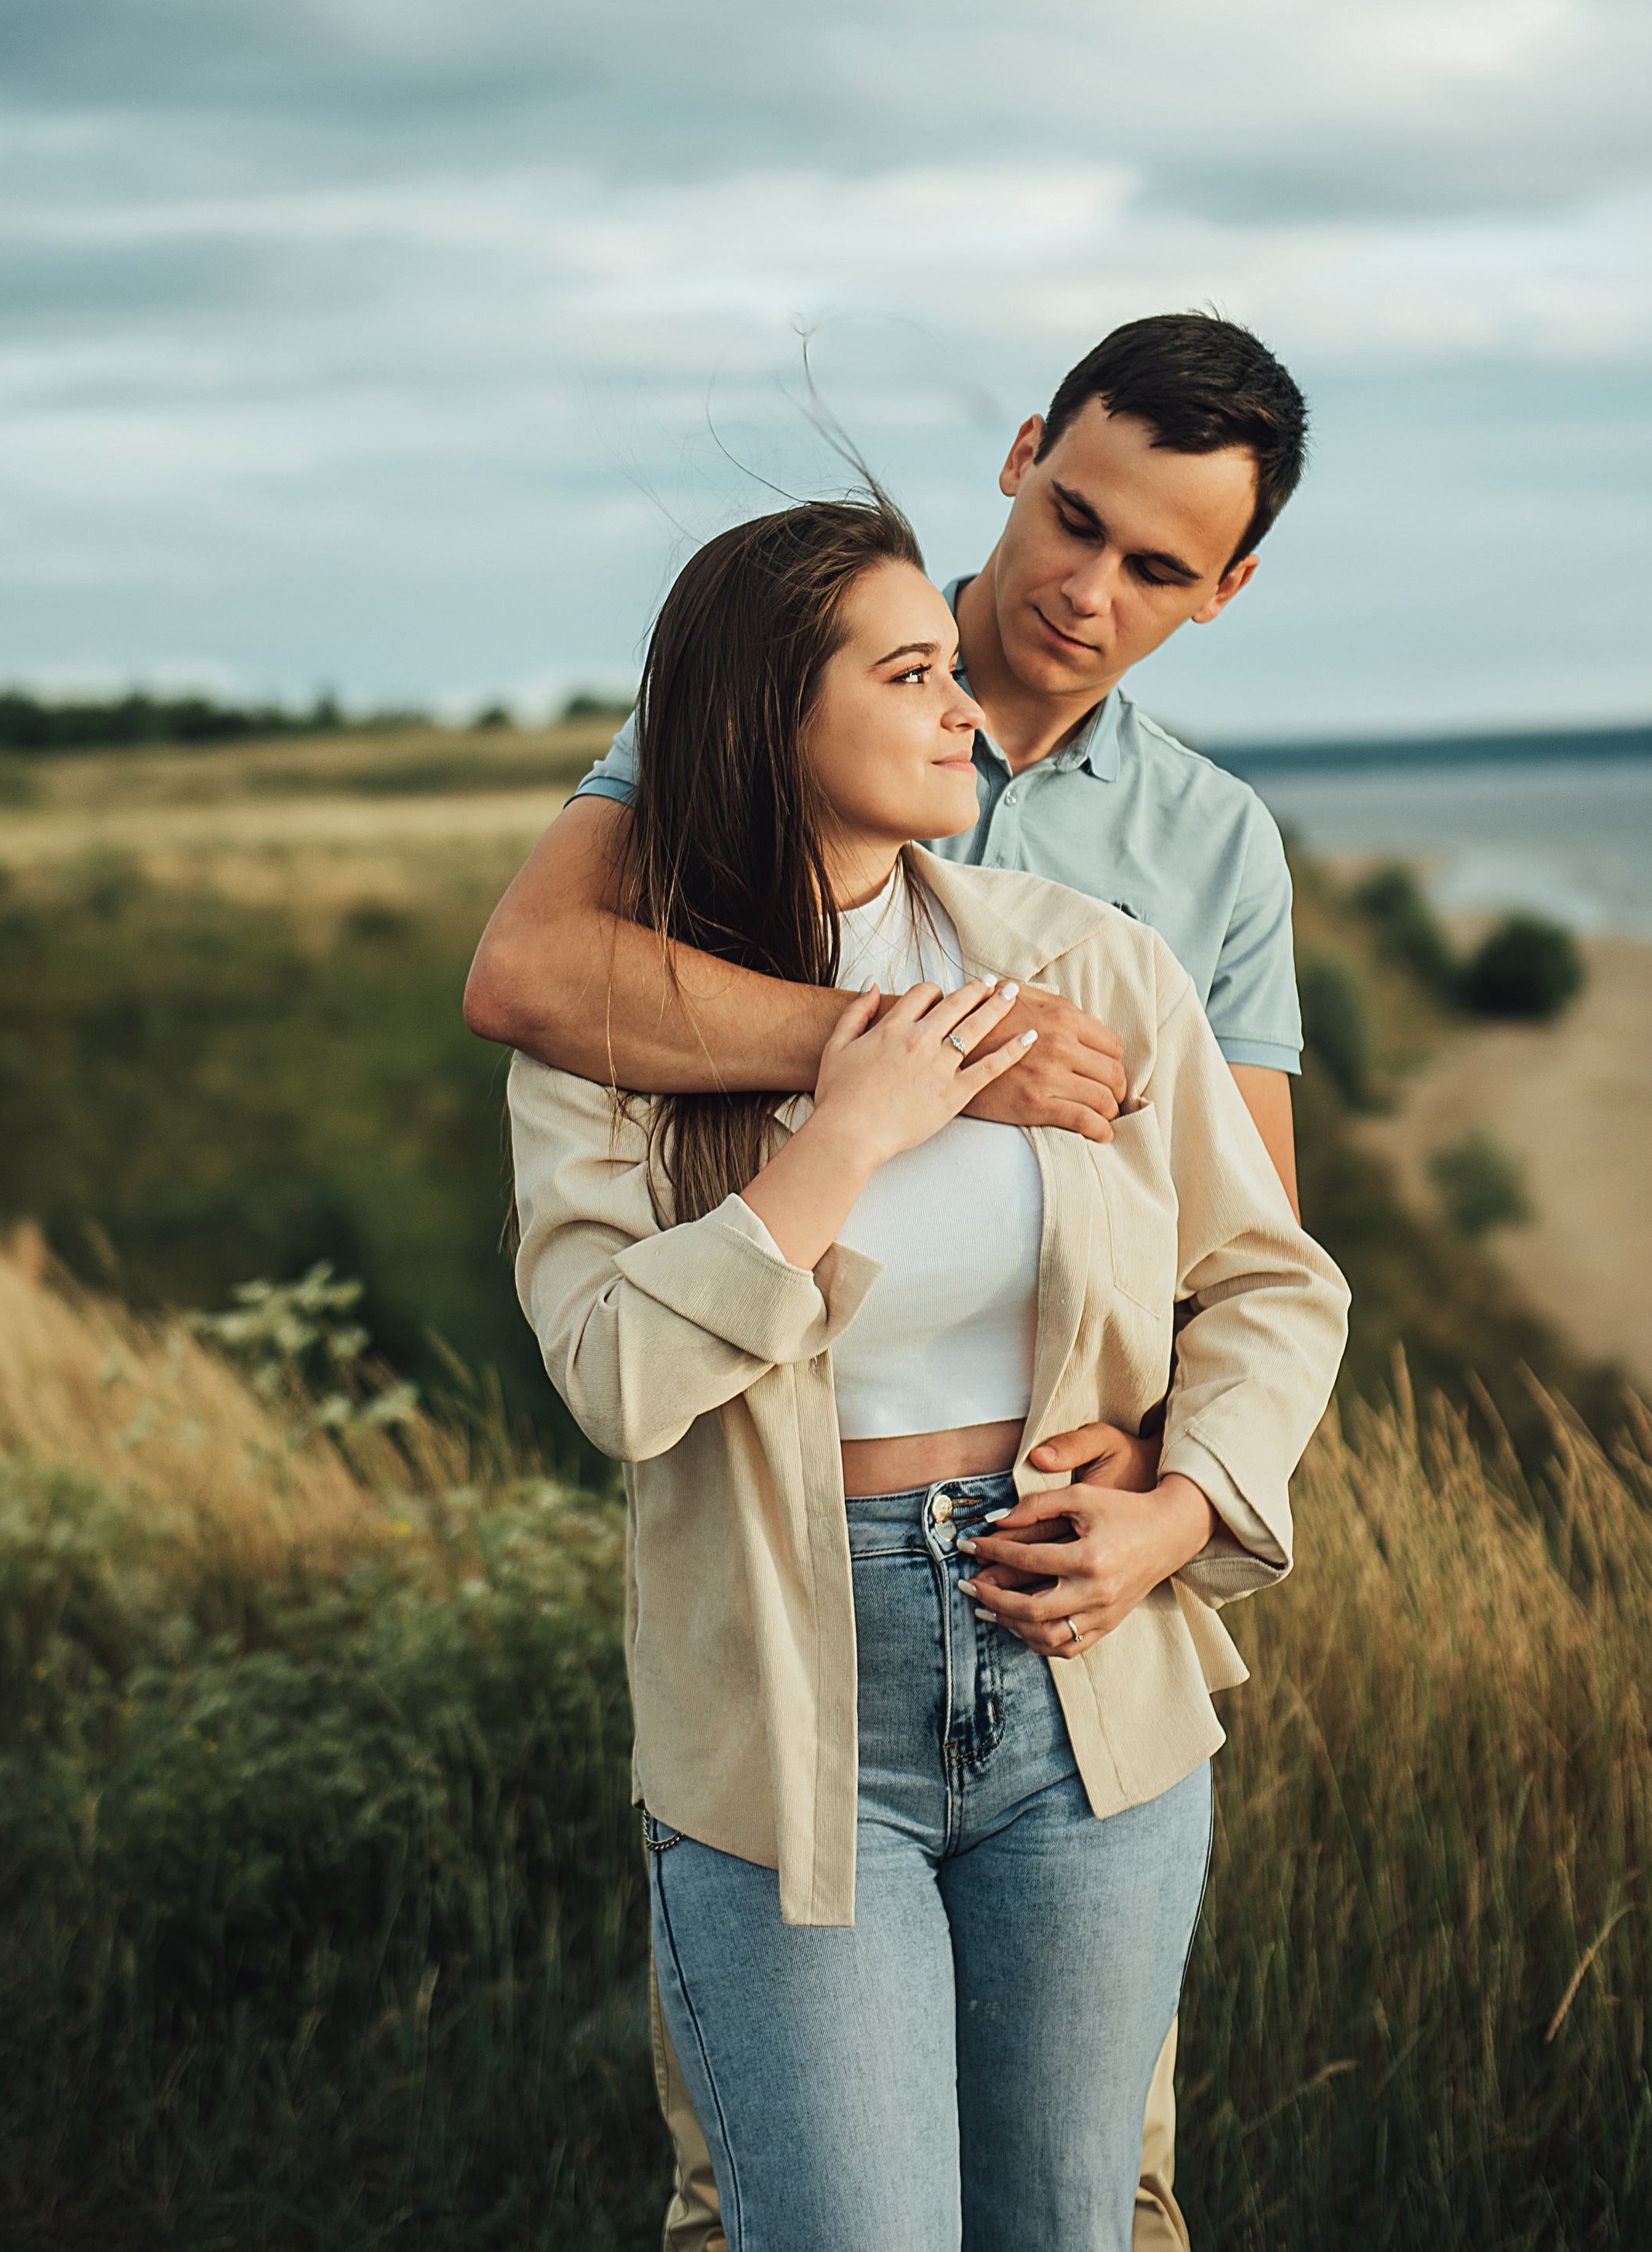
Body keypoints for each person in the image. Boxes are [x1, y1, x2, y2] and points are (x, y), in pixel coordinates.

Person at [466, 311, 1315, 2252]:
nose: (1080, 596)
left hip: (1077, 1646)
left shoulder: (1158, 891)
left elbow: (1258, 1263)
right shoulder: (773, 652)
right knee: (793, 2213)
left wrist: (1174, 1502)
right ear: (1020, 455)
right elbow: (535, 984)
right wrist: (883, 1066)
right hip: (787, 1655)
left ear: (1226, 588)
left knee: (1097, 2213)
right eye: (1071, 520)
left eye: (1160, 570)